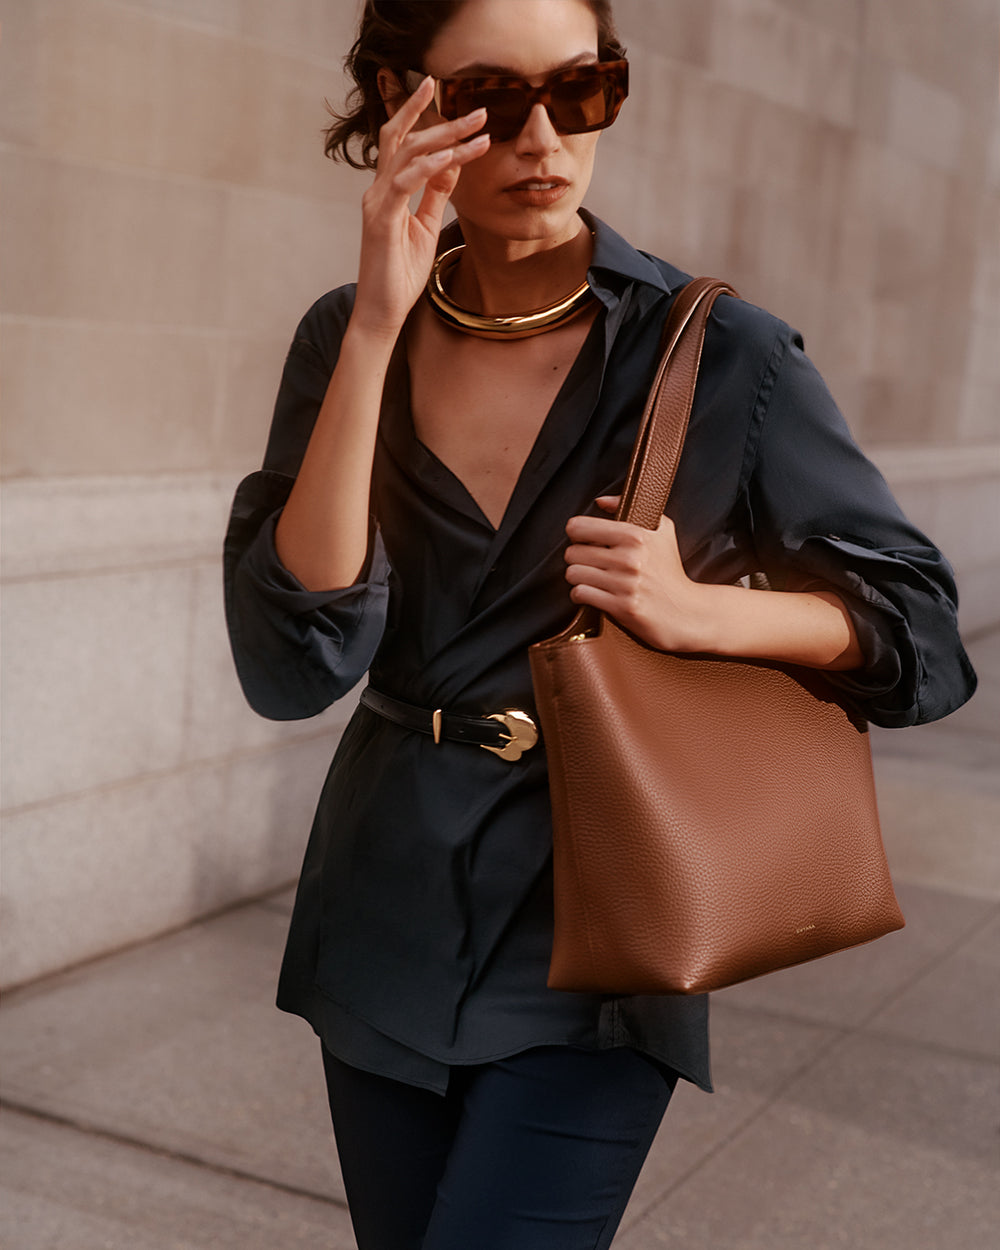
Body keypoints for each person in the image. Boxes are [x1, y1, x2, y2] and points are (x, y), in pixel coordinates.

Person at [223, 2, 977, 1246]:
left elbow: (923, 633)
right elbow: (293, 656)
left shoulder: (724, 352)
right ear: (405, 100)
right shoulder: (346, 334)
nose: (543, 137)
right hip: (383, 913)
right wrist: (371, 324)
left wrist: (698, 616)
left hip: (602, 919)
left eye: (580, 90)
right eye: (490, 97)